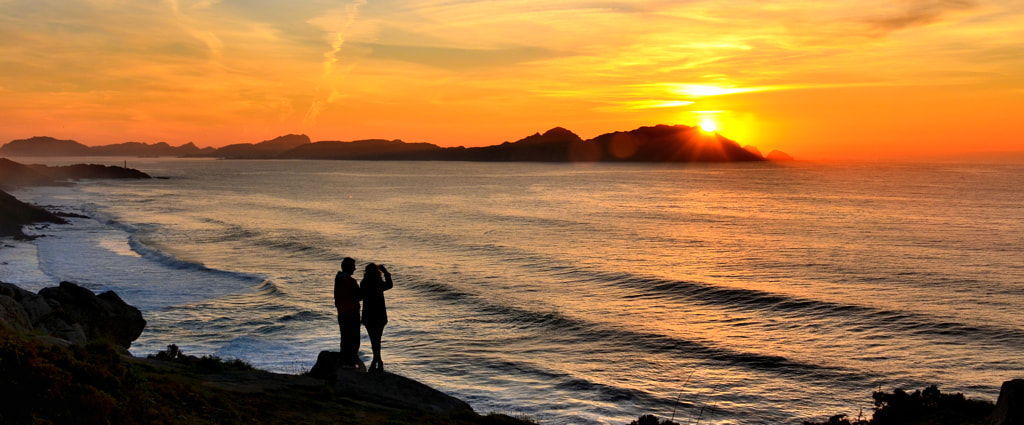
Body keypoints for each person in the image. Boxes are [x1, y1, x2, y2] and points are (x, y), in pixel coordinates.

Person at [360, 263, 393, 372]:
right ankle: (377, 360)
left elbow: (360, 296)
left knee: (374, 339)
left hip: (368, 315)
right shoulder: (378, 283)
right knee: (377, 339)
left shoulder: (364, 283)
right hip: (379, 315)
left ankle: (377, 360)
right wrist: (386, 272)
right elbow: (389, 285)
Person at [334, 257, 362, 368]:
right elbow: (358, 296)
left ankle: (345, 361)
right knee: (354, 339)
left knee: (345, 337)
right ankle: (350, 362)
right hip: (351, 313)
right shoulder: (350, 281)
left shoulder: (338, 280)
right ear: (349, 267)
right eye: (353, 266)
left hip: (342, 312)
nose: (355, 268)